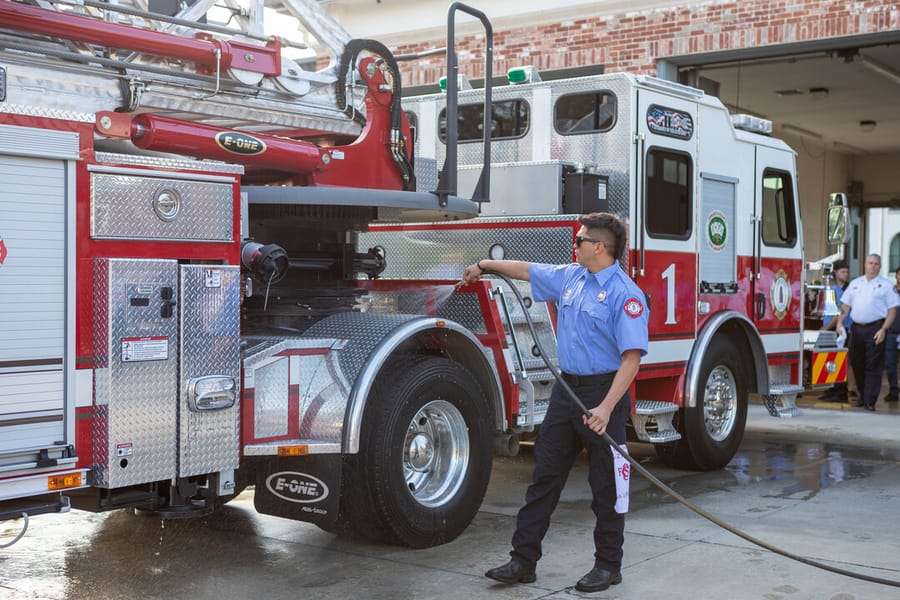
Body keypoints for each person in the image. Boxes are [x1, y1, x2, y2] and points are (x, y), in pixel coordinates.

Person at [459, 212, 649, 593]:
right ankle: (522, 561)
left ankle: (608, 566)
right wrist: (483, 265)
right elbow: (527, 270)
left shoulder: (625, 294)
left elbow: (632, 357)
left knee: (605, 487)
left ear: (599, 247)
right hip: (567, 392)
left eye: (579, 240)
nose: (573, 244)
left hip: (602, 394)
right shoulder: (571, 276)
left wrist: (607, 407)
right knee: (544, 477)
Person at [835, 254, 898, 411]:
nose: (873, 266)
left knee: (873, 366)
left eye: (876, 263)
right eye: (870, 263)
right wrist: (839, 323)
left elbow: (892, 311)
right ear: (865, 264)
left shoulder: (886, 285)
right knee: (857, 363)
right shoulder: (856, 284)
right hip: (856, 329)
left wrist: (884, 329)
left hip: (876, 328)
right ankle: (864, 395)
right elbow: (845, 307)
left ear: (880, 266)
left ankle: (870, 401)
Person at [819, 260, 852, 403]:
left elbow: (838, 313)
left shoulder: (846, 290)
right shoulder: (832, 288)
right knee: (831, 360)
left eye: (846, 272)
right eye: (843, 272)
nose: (845, 274)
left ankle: (841, 392)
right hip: (831, 328)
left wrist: (826, 328)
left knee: (839, 361)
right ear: (836, 273)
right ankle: (834, 389)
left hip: (840, 329)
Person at [883, 267, 900, 403]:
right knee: (890, 364)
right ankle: (893, 390)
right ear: (896, 276)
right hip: (891, 334)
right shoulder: (890, 292)